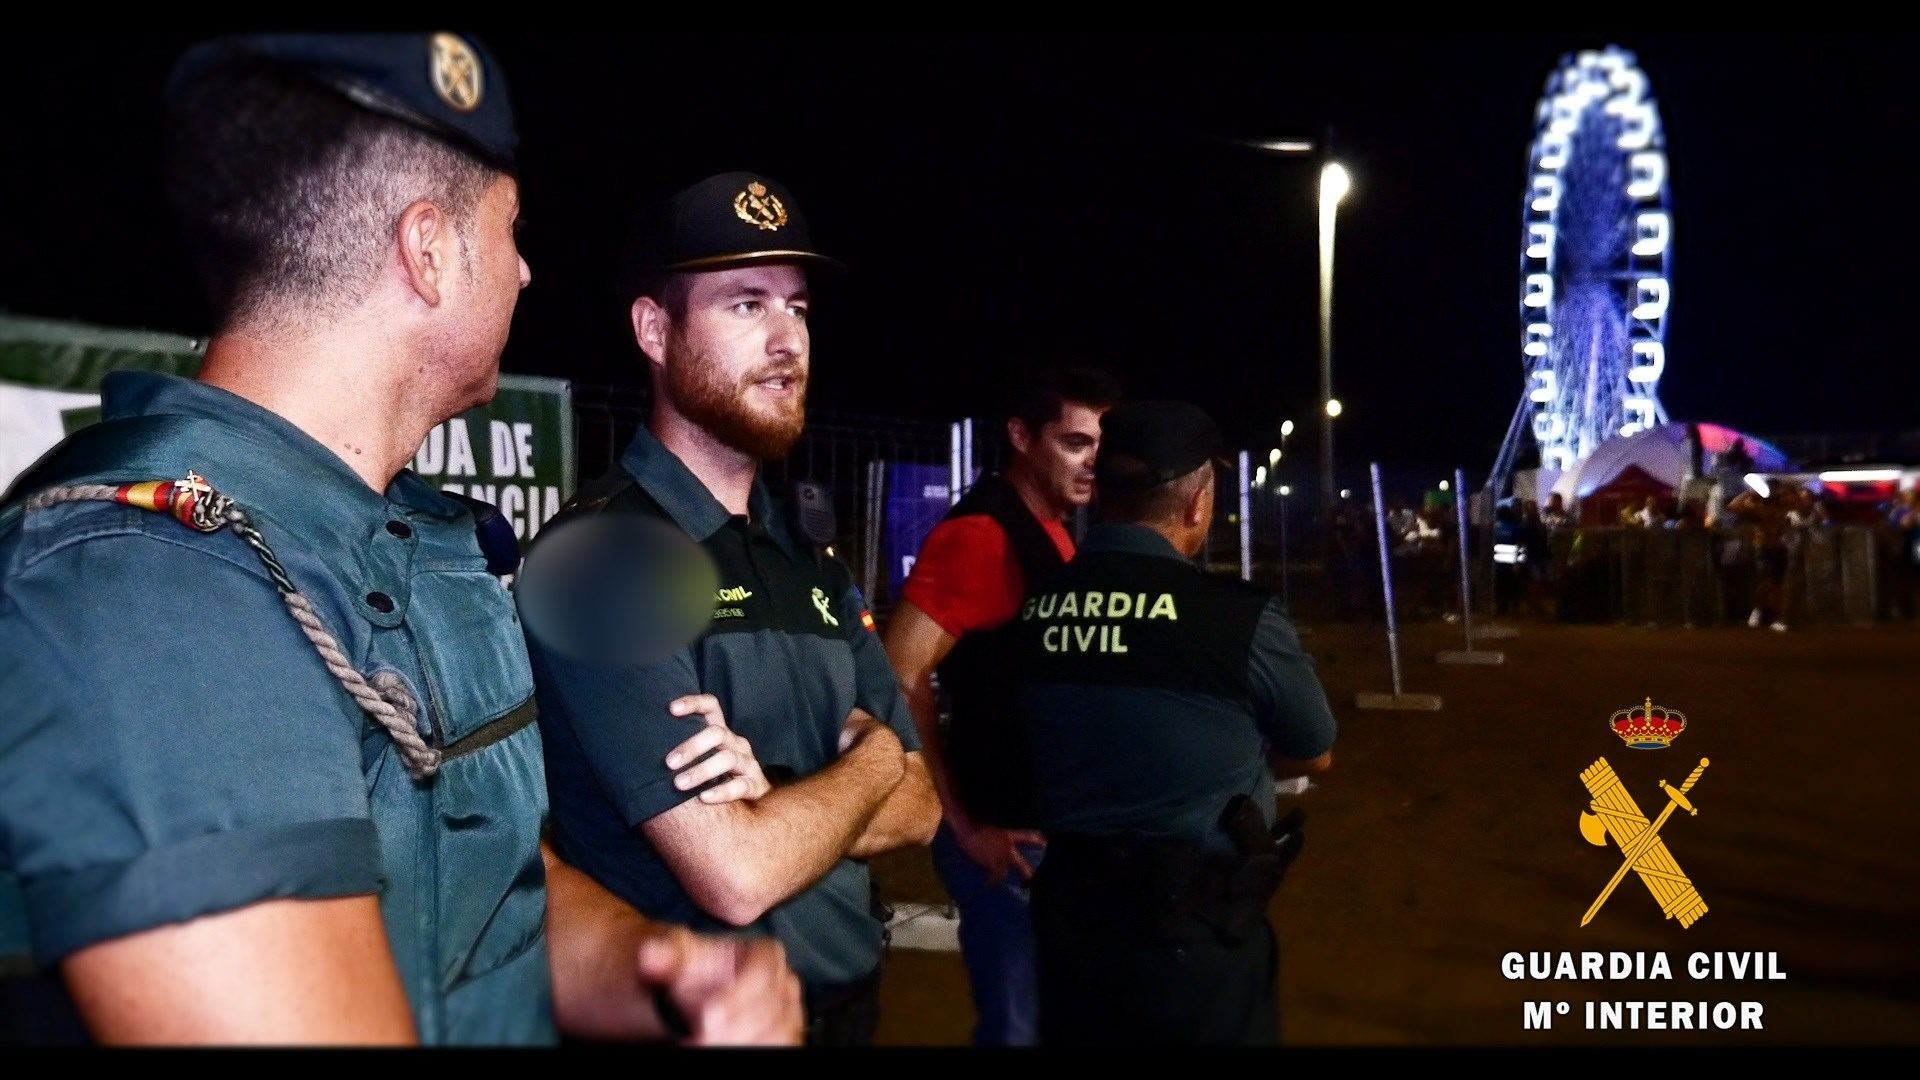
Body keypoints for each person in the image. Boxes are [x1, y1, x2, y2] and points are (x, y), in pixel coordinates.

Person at [0, 36, 801, 1046]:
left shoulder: (431, 547)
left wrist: (656, 970)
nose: (524, 267)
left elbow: (500, 878)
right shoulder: (139, 588)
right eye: (509, 229)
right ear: (428, 252)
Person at [526, 172, 940, 1046]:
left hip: (850, 1010)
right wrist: (869, 759)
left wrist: (783, 797)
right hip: (697, 1022)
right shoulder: (604, 560)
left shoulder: (807, 560)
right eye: (746, 305)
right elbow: (738, 872)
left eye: (797, 306)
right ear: (653, 330)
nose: (787, 338)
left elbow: (926, 807)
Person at [1010, 401, 1337, 1045]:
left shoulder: (1033, 608)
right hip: (1192, 939)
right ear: (1197, 505)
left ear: (1100, 495)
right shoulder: (1238, 620)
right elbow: (1315, 749)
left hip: (1069, 928)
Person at [881, 365, 1118, 1046]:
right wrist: (958, 821)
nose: (1091, 465)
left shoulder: (1053, 530)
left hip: (1047, 835)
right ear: (1020, 436)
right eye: (1075, 443)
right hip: (1005, 845)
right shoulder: (981, 536)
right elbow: (898, 674)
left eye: (1101, 448)